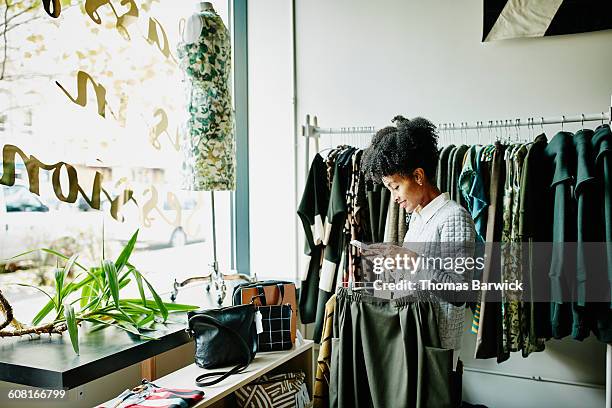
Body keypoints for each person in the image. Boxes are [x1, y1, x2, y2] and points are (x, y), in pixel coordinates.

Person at [360, 115, 476, 370]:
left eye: (396, 187)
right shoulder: (417, 219)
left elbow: (461, 292)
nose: (393, 198)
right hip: (413, 338)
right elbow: (415, 279)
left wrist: (411, 262)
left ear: (419, 176)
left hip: (436, 348)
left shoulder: (454, 217)